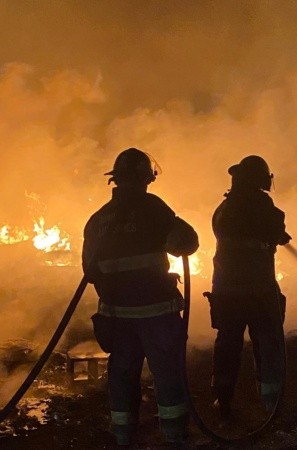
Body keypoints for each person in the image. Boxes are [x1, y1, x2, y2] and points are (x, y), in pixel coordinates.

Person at [82, 148, 199, 446]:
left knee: (121, 374)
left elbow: (90, 270)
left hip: (116, 317)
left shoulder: (98, 220)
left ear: (116, 180)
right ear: (146, 178)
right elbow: (186, 242)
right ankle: (174, 435)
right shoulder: (153, 208)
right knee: (167, 372)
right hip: (156, 312)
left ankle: (122, 434)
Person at [208, 155, 290, 422]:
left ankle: (223, 401)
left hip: (226, 291)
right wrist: (279, 235)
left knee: (227, 346)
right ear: (260, 179)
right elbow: (273, 227)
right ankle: (270, 403)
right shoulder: (261, 203)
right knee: (268, 344)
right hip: (259, 291)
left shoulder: (224, 208)